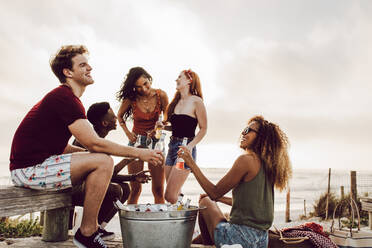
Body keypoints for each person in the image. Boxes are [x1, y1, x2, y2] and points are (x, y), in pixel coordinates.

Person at [9, 45, 163, 248]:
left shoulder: (66, 98)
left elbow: (62, 147)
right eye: (83, 65)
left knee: (100, 160)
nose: (89, 68)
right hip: (28, 171)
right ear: (68, 72)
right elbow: (94, 142)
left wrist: (86, 154)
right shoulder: (64, 98)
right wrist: (140, 153)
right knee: (103, 161)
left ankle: (91, 229)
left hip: (36, 166)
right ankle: (88, 232)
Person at [178, 116, 292, 248]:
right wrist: (219, 199)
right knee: (209, 200)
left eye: (249, 130)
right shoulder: (268, 165)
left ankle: (208, 245)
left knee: (205, 202)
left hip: (238, 238)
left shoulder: (246, 160)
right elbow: (247, 203)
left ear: (261, 137)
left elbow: (214, 192)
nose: (243, 133)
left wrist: (191, 163)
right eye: (244, 129)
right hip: (261, 241)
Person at [71, 101, 151, 241]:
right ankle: (90, 230)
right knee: (115, 191)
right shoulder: (88, 140)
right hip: (71, 187)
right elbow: (102, 176)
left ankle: (99, 228)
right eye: (113, 117)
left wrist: (133, 177)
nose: (116, 119)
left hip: (88, 185)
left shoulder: (99, 139)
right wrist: (129, 158)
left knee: (125, 189)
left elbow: (105, 175)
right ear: (104, 123)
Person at [117, 67, 169, 204]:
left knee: (158, 190)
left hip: (156, 142)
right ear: (134, 88)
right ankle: (131, 223)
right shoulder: (131, 98)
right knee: (135, 189)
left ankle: (159, 222)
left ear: (149, 78)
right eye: (138, 87)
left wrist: (158, 127)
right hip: (136, 143)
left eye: (145, 84)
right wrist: (128, 133)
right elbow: (119, 116)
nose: (144, 89)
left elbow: (167, 118)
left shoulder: (161, 95)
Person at [163, 69, 207, 204]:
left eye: (179, 77)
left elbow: (203, 128)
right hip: (172, 148)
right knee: (174, 195)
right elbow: (177, 128)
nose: (176, 80)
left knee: (170, 196)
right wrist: (161, 127)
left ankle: (184, 207)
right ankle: (182, 211)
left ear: (189, 80)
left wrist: (189, 147)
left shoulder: (196, 101)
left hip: (185, 150)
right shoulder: (175, 102)